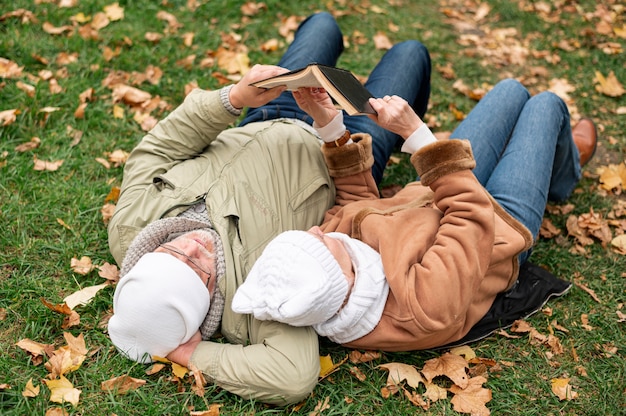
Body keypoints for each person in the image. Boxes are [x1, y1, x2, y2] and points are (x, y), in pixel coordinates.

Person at [106, 12, 431, 405]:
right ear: (207, 300)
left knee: (322, 24)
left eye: (173, 253)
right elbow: (293, 376)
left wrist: (234, 98)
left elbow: (157, 149)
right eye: (199, 269)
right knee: (411, 54)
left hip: (263, 113)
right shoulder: (251, 305)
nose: (194, 246)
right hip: (340, 150)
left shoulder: (129, 231)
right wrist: (187, 353)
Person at [231, 78, 598, 351]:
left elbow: (354, 205)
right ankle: (563, 170)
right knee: (545, 105)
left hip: (436, 190)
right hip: (496, 222)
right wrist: (416, 134)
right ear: (345, 276)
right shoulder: (420, 307)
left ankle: (546, 155)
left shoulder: (335, 268)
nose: (317, 229)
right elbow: (470, 215)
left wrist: (329, 125)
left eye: (309, 235)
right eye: (321, 242)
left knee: (511, 90)